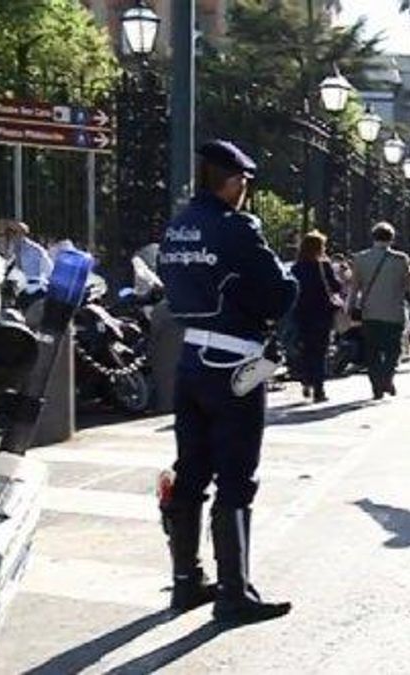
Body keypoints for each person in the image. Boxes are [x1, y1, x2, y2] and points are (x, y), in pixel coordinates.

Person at [158, 139, 297, 624]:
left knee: (191, 474)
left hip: (191, 359)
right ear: (235, 182)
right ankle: (234, 592)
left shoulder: (177, 227)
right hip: (236, 363)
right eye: (245, 183)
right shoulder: (237, 228)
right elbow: (278, 295)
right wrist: (286, 284)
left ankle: (185, 582)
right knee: (237, 477)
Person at [351, 222, 410, 398]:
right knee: (393, 350)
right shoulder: (401, 259)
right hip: (394, 313)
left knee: (371, 351)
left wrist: (350, 308)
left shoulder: (360, 259)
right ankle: (387, 377)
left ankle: (376, 385)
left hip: (369, 313)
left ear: (373, 237)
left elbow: (354, 288)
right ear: (392, 239)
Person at [290, 230, 341, 403]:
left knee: (306, 349)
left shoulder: (296, 268)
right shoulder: (323, 266)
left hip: (302, 313)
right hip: (322, 313)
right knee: (320, 351)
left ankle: (306, 381)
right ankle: (319, 389)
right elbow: (336, 287)